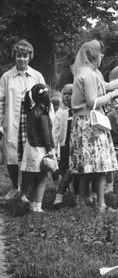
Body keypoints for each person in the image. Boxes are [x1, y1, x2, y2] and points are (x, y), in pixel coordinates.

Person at [69, 39, 118, 212]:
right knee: (100, 165)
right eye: (100, 53)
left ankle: (82, 202)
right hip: (91, 123)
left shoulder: (86, 72)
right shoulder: (90, 75)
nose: (102, 56)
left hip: (83, 123)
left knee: (87, 166)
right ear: (94, 55)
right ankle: (101, 204)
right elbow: (93, 102)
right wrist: (113, 95)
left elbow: (106, 86)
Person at [0, 39, 45, 200]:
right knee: (11, 155)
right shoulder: (7, 77)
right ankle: (14, 187)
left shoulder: (37, 76)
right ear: (15, 56)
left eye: (25, 56)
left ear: (30, 57)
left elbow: (44, 99)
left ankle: (26, 191)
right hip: (13, 119)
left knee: (30, 155)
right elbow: (0, 101)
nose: (22, 59)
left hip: (32, 121)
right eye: (19, 56)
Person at [20, 84, 54, 212]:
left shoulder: (31, 110)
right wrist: (50, 148)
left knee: (35, 177)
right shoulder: (43, 114)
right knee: (42, 177)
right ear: (47, 97)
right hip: (40, 149)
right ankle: (38, 206)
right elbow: (46, 134)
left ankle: (32, 204)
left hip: (30, 148)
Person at [52, 84, 78, 207]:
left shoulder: (79, 111)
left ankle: (76, 195)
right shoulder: (61, 113)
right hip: (65, 146)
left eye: (70, 94)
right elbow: (55, 132)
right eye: (65, 94)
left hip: (78, 146)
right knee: (66, 171)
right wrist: (54, 148)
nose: (67, 96)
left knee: (75, 172)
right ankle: (61, 196)